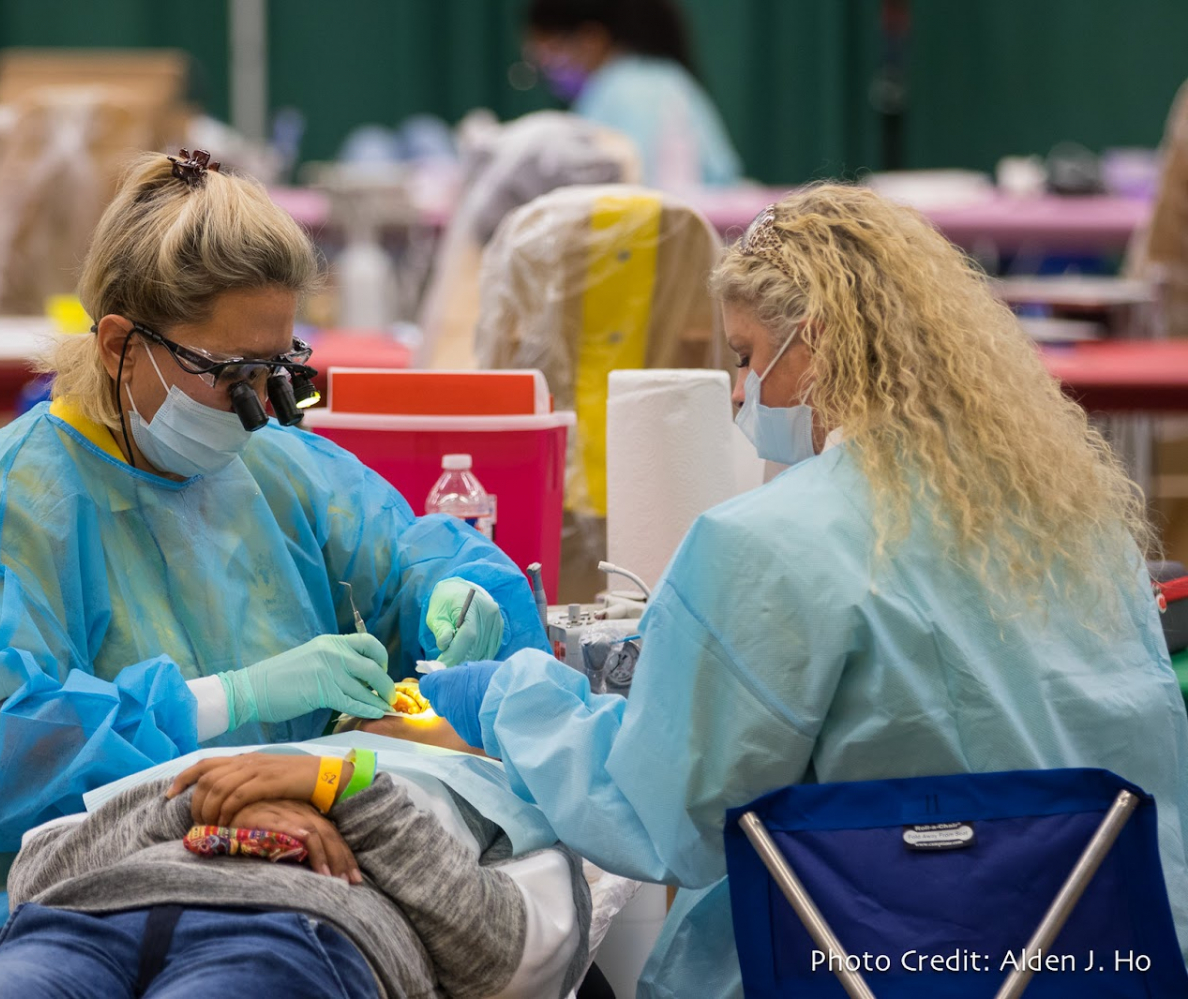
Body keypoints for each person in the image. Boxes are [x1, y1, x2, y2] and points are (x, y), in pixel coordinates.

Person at [413, 184, 1188, 996]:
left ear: (816, 340)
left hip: (859, 964)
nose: (741, 391)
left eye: (746, 355)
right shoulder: (1077, 525)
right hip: (1101, 965)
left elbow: (666, 812)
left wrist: (516, 695)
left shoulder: (768, 542)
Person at [0, 150, 548, 998]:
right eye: (231, 377)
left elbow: (418, 553)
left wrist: (454, 592)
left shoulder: (279, 468)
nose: (259, 408)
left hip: (278, 885)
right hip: (52, 888)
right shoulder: (20, 495)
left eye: (278, 372)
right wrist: (225, 700)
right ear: (124, 345)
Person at [0, 740, 591, 999]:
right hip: (85, 918)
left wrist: (347, 790)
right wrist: (196, 801)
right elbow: (36, 876)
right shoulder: (198, 763)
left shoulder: (474, 788)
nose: (402, 696)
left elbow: (493, 953)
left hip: (293, 930)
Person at [525, 0, 742, 196]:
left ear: (591, 39)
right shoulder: (670, 77)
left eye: (550, 53)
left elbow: (621, 190)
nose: (547, 68)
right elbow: (724, 175)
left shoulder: (615, 91)